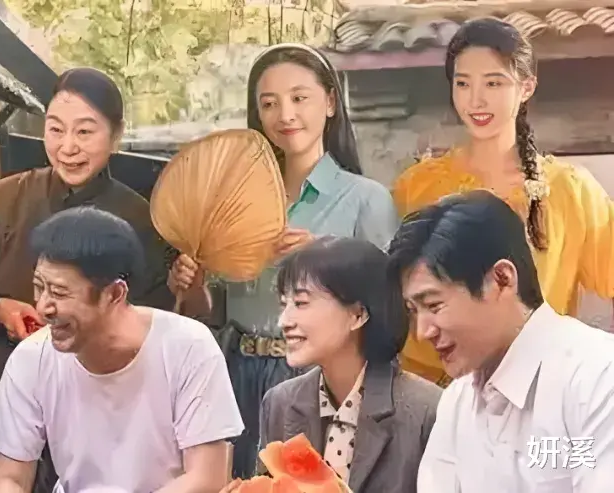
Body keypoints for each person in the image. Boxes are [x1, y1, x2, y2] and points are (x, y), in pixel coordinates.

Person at [167, 43, 398, 478]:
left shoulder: (367, 199)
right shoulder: (232, 202)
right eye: (269, 103)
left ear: (330, 102)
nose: (285, 114)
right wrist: (193, 286)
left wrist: (325, 261)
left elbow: (389, 305)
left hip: (319, 377)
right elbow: (213, 310)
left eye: (299, 98)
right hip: (233, 373)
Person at [0, 67, 176, 490]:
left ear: (116, 135)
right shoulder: (2, 199)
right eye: (55, 129)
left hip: (99, 401)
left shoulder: (143, 219)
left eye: (85, 132)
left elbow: (154, 315)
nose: (68, 147)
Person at [391, 19, 614, 387]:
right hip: (434, 392)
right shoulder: (417, 187)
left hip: (539, 389)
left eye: (493, 83)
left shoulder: (570, 190)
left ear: (526, 87)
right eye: (463, 83)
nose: (476, 100)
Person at [0, 207, 243, 492]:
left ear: (114, 294)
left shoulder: (188, 346)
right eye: (39, 287)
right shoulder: (31, 358)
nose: (43, 307)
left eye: (59, 293)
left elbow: (206, 478)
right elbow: (10, 478)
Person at [388, 191, 614, 492]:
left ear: (502, 279)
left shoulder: (599, 376)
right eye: (413, 311)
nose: (423, 332)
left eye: (434, 305)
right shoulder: (457, 400)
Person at [259, 237, 441, 492]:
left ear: (358, 314)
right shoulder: (279, 402)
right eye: (283, 305)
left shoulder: (428, 410)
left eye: (301, 303)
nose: (284, 321)